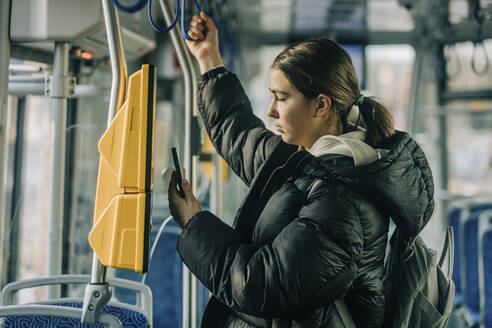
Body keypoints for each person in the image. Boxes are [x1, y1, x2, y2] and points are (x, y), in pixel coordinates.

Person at [168, 11, 435, 328]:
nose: (270, 111)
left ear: (321, 106)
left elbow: (260, 285)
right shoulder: (308, 164)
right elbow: (240, 134)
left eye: (281, 97)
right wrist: (209, 59)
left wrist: (193, 221)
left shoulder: (343, 201)